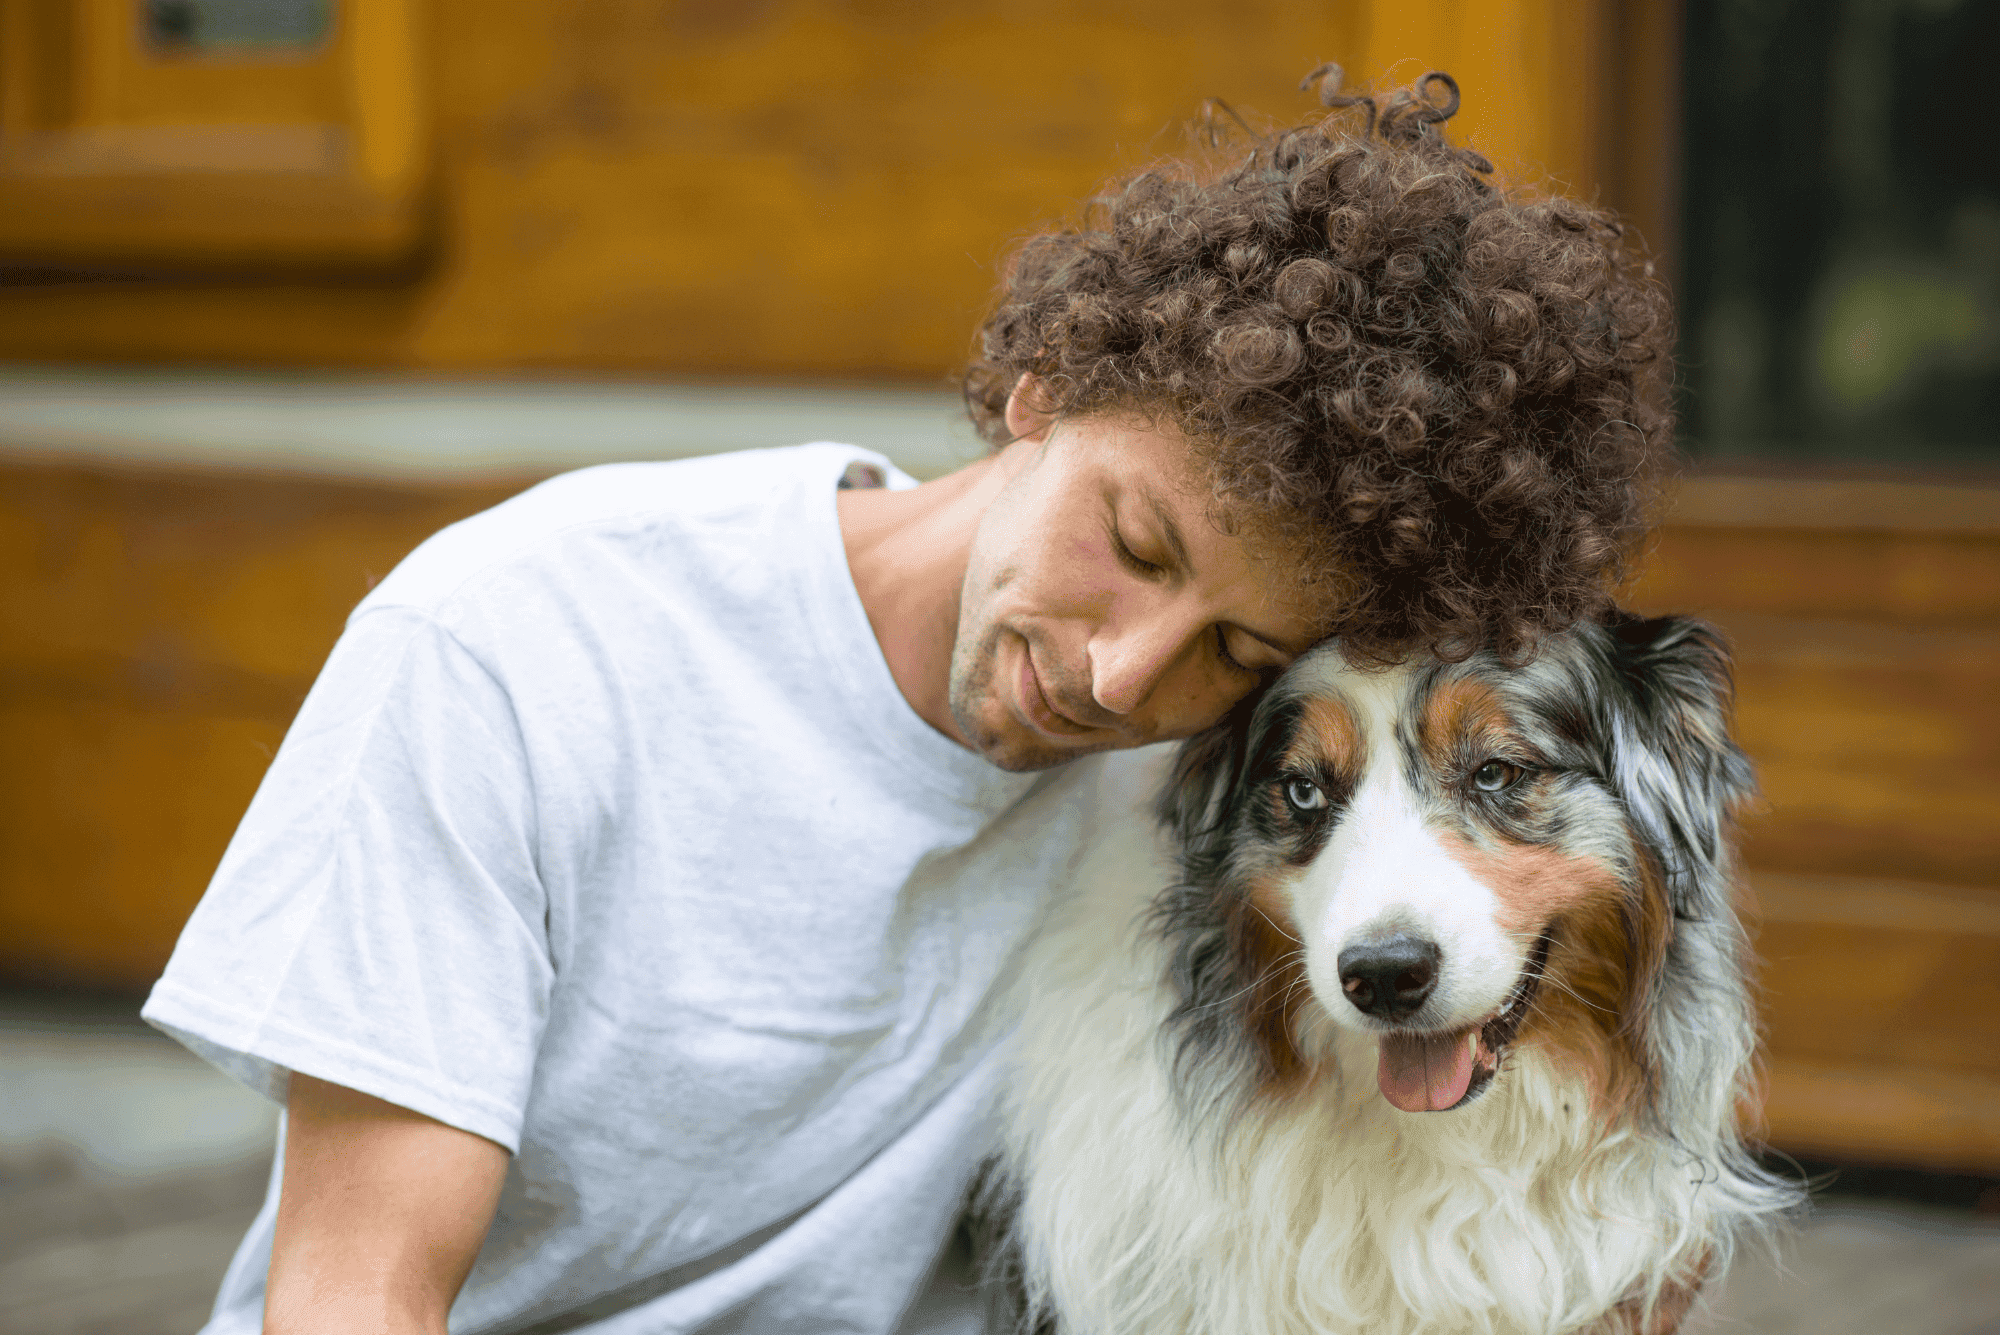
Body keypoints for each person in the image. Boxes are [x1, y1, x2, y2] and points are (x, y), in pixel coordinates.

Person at [142, 69, 1674, 1335]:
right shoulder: (523, 639)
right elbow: (355, 1297)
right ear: (1047, 384)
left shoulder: (1215, 788)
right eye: (1133, 544)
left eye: (1233, 650)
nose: (1123, 676)